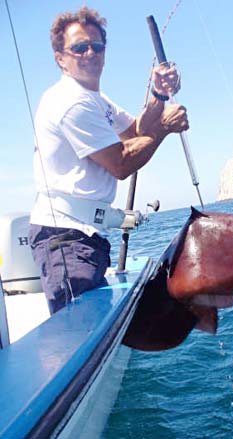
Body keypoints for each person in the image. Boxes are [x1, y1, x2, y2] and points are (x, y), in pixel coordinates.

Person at [28, 6, 189, 314]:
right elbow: (121, 163)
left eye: (97, 45)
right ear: (60, 58)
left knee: (88, 329)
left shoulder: (96, 100)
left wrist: (158, 94)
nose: (90, 52)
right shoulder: (70, 102)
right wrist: (166, 128)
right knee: (78, 334)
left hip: (87, 235)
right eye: (79, 47)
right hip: (65, 239)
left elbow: (138, 132)